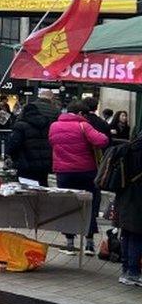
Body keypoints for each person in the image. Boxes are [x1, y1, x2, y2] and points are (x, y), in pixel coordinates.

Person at [49, 99, 109, 255]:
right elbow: (102, 140)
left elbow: (52, 143)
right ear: (81, 113)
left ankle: (69, 243)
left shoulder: (54, 126)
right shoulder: (83, 125)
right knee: (89, 205)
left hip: (63, 172)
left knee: (68, 205)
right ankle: (89, 243)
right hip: (86, 171)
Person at [5, 102, 54, 186]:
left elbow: (13, 144)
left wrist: (12, 156)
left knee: (26, 190)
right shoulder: (47, 124)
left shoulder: (20, 125)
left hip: (26, 163)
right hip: (44, 164)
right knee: (42, 187)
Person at [115, 140, 142, 286]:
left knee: (127, 233)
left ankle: (126, 270)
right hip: (137, 197)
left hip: (125, 194)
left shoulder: (131, 146)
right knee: (137, 234)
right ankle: (133, 272)